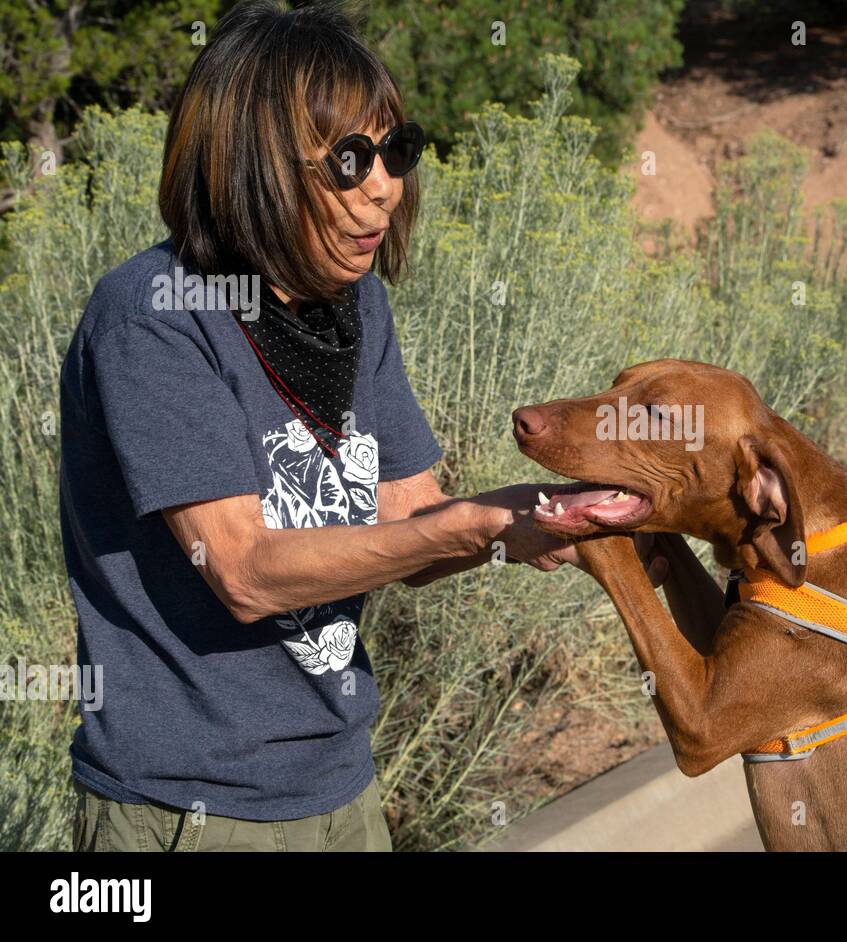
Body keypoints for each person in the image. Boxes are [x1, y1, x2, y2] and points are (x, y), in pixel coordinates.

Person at [59, 0, 661, 852]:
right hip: (187, 813)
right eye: (349, 159)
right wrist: (470, 526)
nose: (383, 185)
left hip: (341, 790)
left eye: (395, 151)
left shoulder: (350, 303)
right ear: (252, 166)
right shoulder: (158, 315)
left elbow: (404, 511)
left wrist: (530, 518)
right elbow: (244, 571)